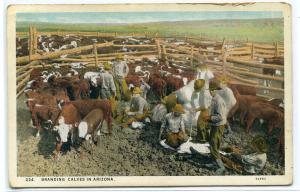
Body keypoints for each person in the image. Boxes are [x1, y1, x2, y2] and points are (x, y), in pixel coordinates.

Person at [207, 80, 227, 174]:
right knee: (212, 142)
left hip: (219, 125)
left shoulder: (219, 101)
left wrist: (210, 118)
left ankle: (221, 166)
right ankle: (213, 162)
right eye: (210, 90)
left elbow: (220, 117)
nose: (211, 92)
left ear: (216, 90)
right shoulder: (214, 99)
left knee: (214, 143)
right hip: (214, 124)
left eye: (213, 90)